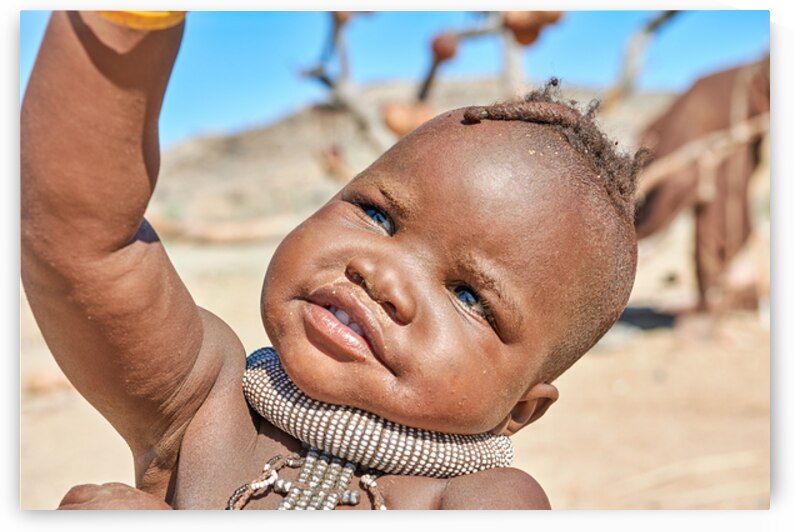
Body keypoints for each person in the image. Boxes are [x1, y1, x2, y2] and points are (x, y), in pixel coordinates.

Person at [22, 11, 647, 510]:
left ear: (519, 411)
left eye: (468, 296)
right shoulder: (205, 399)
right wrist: (126, 19)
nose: (382, 275)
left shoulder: (479, 501)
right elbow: (80, 239)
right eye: (378, 216)